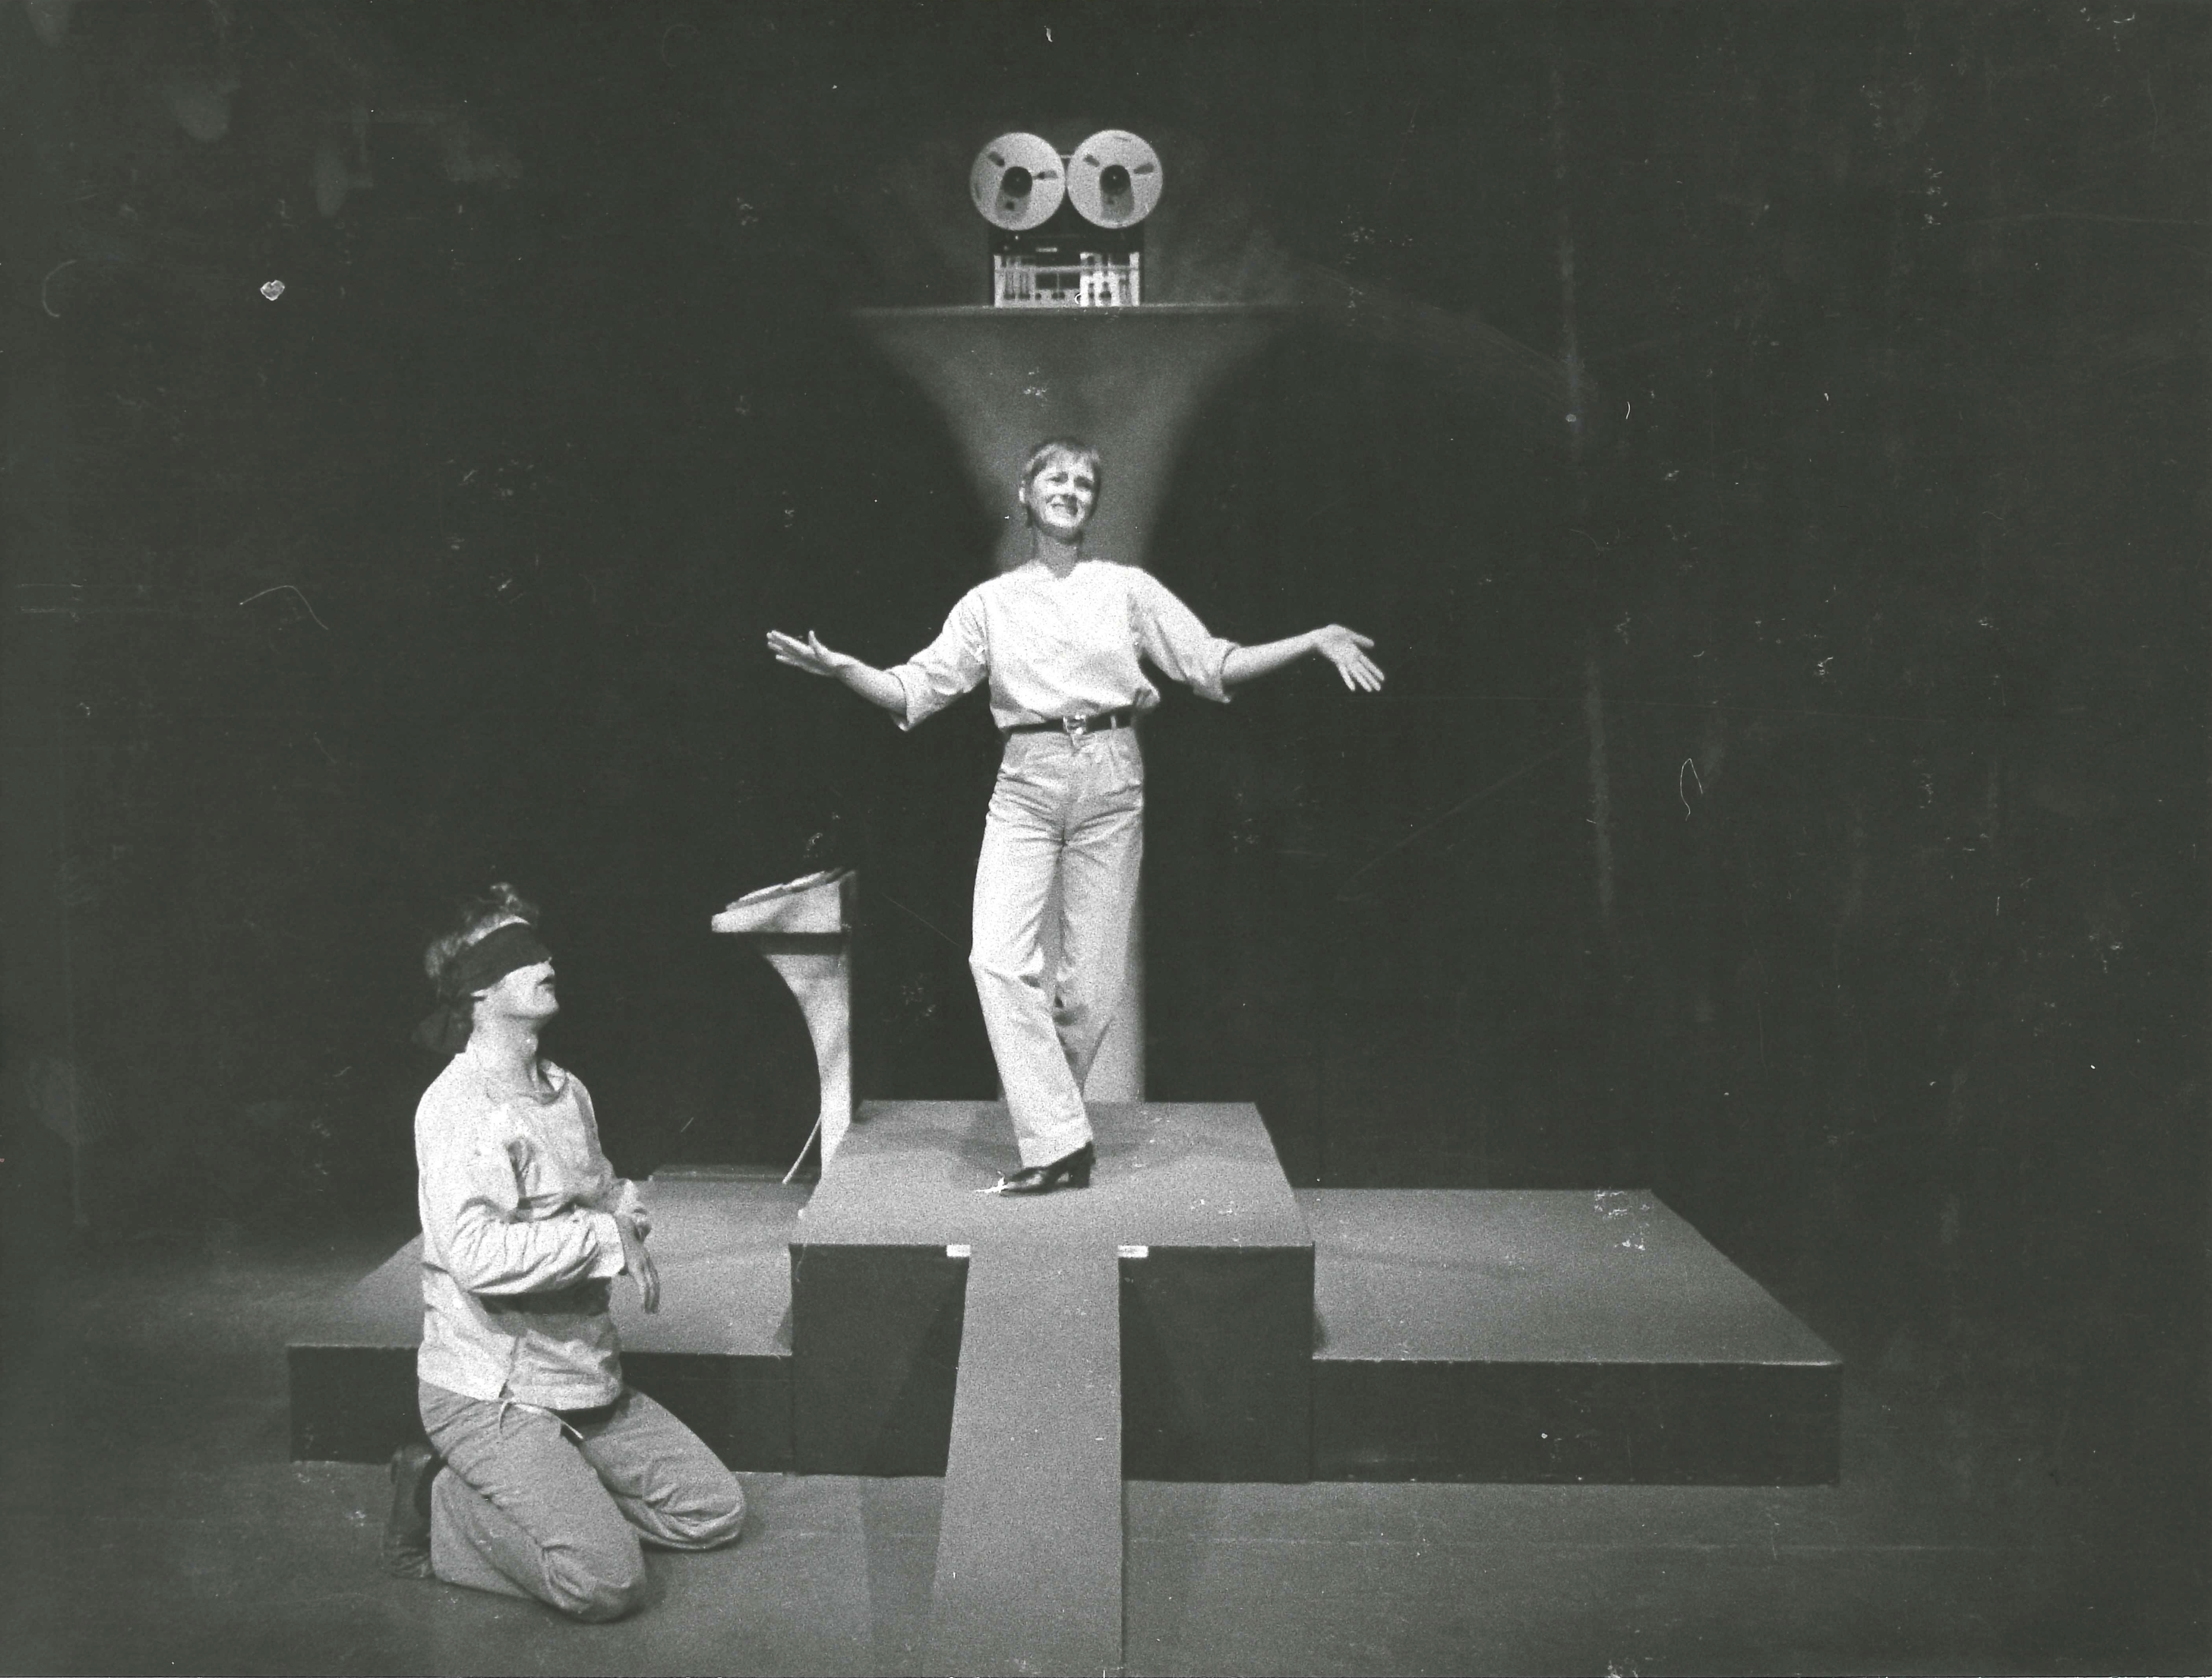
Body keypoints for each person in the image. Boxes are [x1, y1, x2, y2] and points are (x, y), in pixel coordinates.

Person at [767, 437, 1383, 1194]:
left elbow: (1212, 664)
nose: (1069, 490)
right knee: (996, 959)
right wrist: (843, 670)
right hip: (1025, 783)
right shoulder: (990, 603)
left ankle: (1055, 1135)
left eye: (1084, 482)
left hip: (1111, 779)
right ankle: (1060, 1142)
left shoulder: (1125, 588)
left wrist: (1312, 640)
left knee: (1090, 993)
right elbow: (913, 690)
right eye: (1054, 478)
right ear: (1025, 496)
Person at [381, 884, 746, 1620]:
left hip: (580, 1380)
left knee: (714, 1513)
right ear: (478, 989)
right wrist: (604, 1239)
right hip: (493, 1395)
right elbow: (475, 1254)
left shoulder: (565, 1090)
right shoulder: (459, 1107)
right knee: (605, 1583)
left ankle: (559, 1494)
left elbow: (599, 1187)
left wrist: (623, 1213)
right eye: (519, 954)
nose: (546, 962)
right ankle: (440, 1504)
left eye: (542, 947)